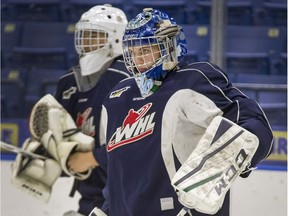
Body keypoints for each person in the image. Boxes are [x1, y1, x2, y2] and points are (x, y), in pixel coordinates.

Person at [96, 8, 274, 216]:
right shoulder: (117, 97)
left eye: (145, 50)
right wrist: (106, 209)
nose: (138, 60)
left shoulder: (193, 80)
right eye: (133, 52)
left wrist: (216, 168)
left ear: (171, 46)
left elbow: (256, 125)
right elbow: (118, 174)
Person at [53, 5, 130, 216]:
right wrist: (45, 153)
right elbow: (59, 136)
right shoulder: (68, 82)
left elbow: (135, 142)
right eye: (83, 35)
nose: (86, 42)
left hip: (126, 196)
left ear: (116, 38)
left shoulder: (128, 80)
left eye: (94, 35)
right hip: (88, 196)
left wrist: (92, 158)